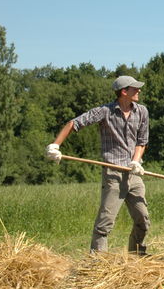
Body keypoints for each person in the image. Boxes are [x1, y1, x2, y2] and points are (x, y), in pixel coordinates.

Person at [45, 75, 151, 255]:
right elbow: (74, 123)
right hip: (113, 174)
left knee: (143, 220)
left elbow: (142, 141)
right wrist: (56, 145)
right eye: (134, 88)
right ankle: (97, 262)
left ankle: (136, 255)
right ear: (124, 92)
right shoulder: (105, 111)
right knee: (105, 222)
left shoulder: (142, 111)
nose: (139, 90)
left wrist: (135, 160)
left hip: (133, 173)